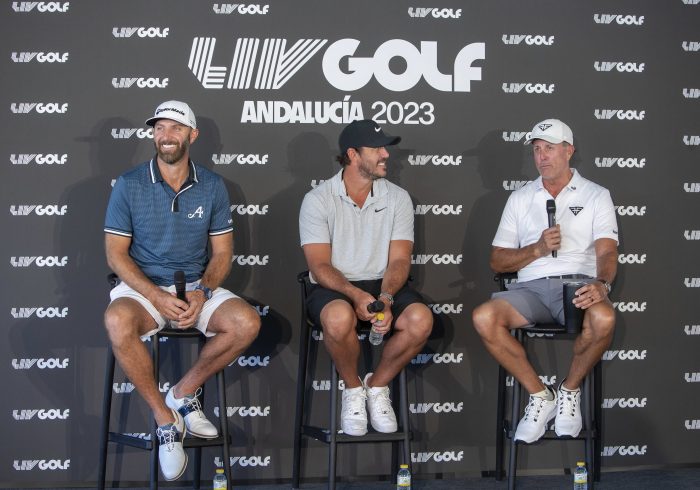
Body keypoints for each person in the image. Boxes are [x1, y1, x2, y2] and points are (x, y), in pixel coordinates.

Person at [103, 100, 261, 480]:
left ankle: (182, 392)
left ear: (193, 135)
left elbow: (222, 253)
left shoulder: (212, 185)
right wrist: (156, 296)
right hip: (144, 288)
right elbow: (115, 255)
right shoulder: (129, 184)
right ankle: (165, 419)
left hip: (194, 286)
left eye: (175, 128)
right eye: (159, 128)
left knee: (246, 322)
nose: (166, 136)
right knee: (117, 321)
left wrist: (203, 291)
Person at [472, 118, 618, 444]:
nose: (542, 157)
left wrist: (602, 284)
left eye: (549, 149)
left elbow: (607, 253)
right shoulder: (520, 198)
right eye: (537, 150)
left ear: (569, 151)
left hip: (578, 286)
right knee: (484, 317)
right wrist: (537, 249)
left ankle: (569, 390)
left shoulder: (596, 195)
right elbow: (497, 259)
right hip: (531, 290)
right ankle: (541, 396)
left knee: (605, 318)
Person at [299, 119, 433, 436]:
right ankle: (353, 391)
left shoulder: (398, 198)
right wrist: (356, 296)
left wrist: (385, 299)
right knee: (337, 317)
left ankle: (378, 386)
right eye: (376, 148)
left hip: (384, 284)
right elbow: (319, 266)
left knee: (420, 320)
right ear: (353, 154)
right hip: (334, 286)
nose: (385, 154)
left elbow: (400, 260)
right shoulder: (317, 199)